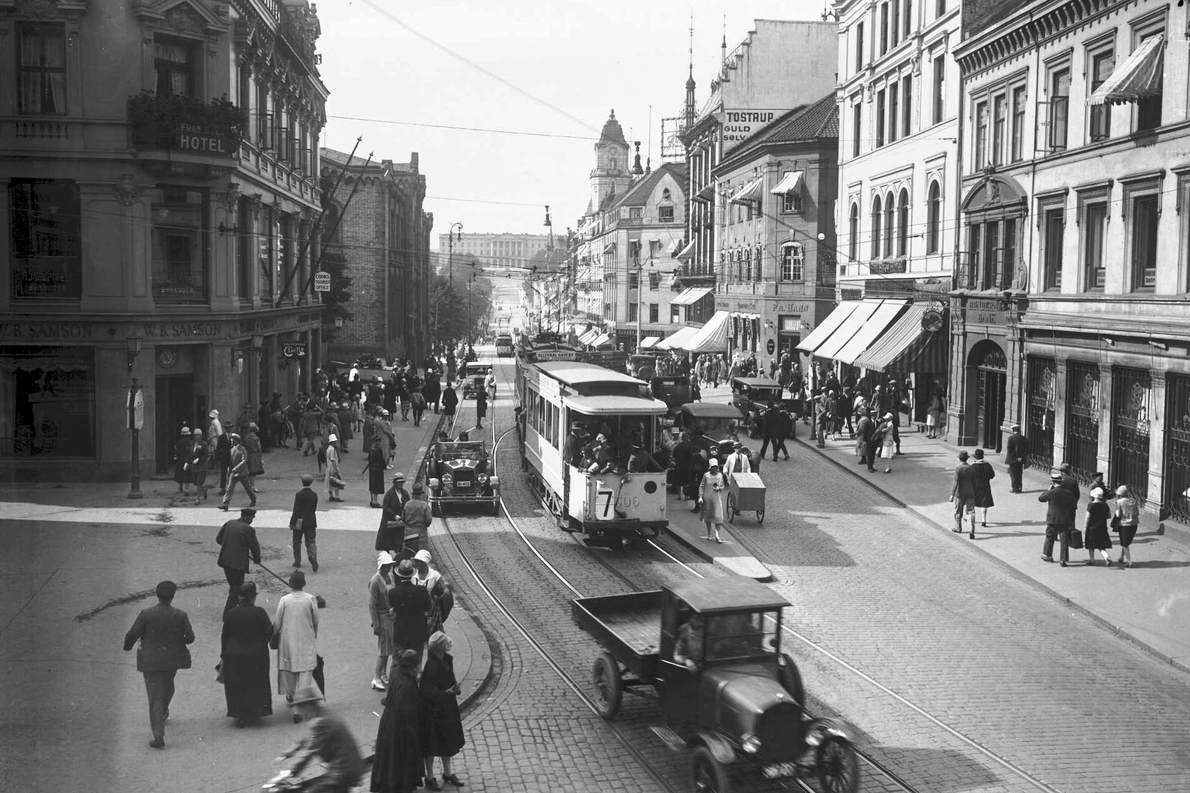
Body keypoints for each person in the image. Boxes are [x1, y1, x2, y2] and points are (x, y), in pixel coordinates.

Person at [123, 580, 195, 749]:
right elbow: (190, 638)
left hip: (151, 660)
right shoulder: (180, 615)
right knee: (168, 687)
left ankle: (158, 734)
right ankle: (162, 714)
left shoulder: (146, 613)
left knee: (155, 696)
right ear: (173, 596)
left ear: (157, 595)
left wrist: (127, 647)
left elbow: (132, 633)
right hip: (172, 660)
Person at [279, 686, 364, 793]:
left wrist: (287, 773)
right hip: (350, 765)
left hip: (343, 770)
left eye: (299, 708)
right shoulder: (323, 713)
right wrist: (293, 749)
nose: (299, 712)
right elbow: (313, 737)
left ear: (307, 707)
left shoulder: (320, 722)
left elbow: (308, 752)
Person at [221, 581, 273, 727]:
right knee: (257, 683)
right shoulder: (260, 612)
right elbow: (269, 632)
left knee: (238, 684)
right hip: (257, 654)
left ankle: (240, 714)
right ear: (253, 597)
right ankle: (256, 711)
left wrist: (223, 655)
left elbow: (225, 637)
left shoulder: (231, 614)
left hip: (235, 655)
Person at [371, 650, 423, 793]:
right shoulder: (406, 685)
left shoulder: (397, 675)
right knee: (398, 760)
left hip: (391, 723)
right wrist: (411, 729)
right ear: (413, 666)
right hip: (401, 728)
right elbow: (403, 708)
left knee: (390, 759)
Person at [420, 631, 466, 790]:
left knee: (448, 741)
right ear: (440, 647)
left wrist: (454, 687)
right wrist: (444, 693)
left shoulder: (446, 659)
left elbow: (450, 675)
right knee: (431, 745)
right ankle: (430, 776)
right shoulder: (431, 666)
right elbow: (426, 691)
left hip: (447, 707)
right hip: (434, 711)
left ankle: (447, 772)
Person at [275, 570, 320, 720]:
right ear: (304, 583)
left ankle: (291, 695)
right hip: (306, 639)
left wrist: (275, 635)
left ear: (290, 584)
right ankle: (299, 710)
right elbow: (315, 620)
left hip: (288, 640)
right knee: (305, 673)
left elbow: (277, 622)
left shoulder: (284, 600)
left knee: (289, 670)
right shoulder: (310, 599)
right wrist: (314, 635)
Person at [216, 507, 261, 616]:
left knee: (234, 586)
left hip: (225, 560)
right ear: (248, 517)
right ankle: (228, 613)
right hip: (238, 563)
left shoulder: (229, 523)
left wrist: (230, 545)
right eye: (252, 518)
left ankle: (237, 608)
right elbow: (254, 546)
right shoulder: (248, 529)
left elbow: (218, 539)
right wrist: (257, 559)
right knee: (236, 588)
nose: (252, 521)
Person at [388, 559, 433, 667]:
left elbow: (393, 609)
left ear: (399, 574)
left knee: (397, 660)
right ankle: (416, 678)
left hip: (401, 631)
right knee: (417, 659)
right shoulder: (421, 590)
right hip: (418, 631)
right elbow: (429, 608)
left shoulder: (393, 592)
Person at [1039, 471, 1078, 566]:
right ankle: (1063, 559)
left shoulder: (1052, 492)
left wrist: (1048, 490)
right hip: (1065, 519)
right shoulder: (1069, 493)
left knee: (1050, 536)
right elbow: (1073, 507)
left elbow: (1041, 498)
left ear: (1053, 482)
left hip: (1052, 519)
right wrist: (1072, 519)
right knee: (1064, 539)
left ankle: (1048, 555)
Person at [371, 552, 397, 691]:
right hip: (382, 618)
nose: (388, 568)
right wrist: (376, 624)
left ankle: (383, 674)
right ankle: (376, 677)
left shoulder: (390, 576)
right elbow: (372, 605)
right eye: (386, 566)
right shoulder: (375, 581)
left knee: (388, 648)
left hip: (391, 616)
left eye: (390, 566)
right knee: (383, 649)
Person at [413, 549, 454, 634]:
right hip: (418, 613)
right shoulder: (413, 576)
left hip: (432, 613)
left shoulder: (434, 575)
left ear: (425, 563)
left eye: (419, 562)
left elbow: (445, 588)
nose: (417, 564)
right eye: (416, 561)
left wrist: (443, 595)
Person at [289, 474, 320, 571]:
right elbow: (313, 508)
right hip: (311, 520)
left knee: (297, 541)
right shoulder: (314, 495)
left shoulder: (299, 495)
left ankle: (297, 561)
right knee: (311, 541)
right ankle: (313, 557)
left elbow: (296, 510)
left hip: (299, 521)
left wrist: (292, 522)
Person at [219, 434, 257, 511]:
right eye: (231, 441)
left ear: (237, 441)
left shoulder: (242, 449)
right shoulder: (232, 449)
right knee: (229, 488)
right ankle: (225, 504)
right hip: (233, 473)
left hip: (242, 473)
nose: (231, 442)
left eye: (233, 441)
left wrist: (236, 468)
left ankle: (253, 499)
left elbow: (244, 460)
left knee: (247, 488)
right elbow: (231, 461)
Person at [949, 451, 977, 537]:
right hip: (970, 492)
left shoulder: (958, 469)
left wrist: (952, 494)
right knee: (970, 511)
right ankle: (971, 528)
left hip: (959, 493)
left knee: (958, 511)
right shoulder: (972, 468)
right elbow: (975, 481)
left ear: (959, 459)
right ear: (967, 458)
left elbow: (955, 482)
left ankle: (958, 528)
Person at [700, 458, 728, 543]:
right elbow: (701, 485)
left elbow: (722, 486)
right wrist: (700, 496)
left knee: (718, 516)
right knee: (708, 515)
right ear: (710, 467)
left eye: (715, 467)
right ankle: (709, 534)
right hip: (707, 497)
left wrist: (719, 488)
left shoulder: (720, 476)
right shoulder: (706, 475)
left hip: (716, 498)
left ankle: (717, 535)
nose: (714, 468)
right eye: (713, 467)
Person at [1083, 488, 1113, 566]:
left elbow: (1087, 517)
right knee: (1101, 545)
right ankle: (1106, 556)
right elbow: (1109, 515)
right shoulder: (1105, 505)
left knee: (1091, 545)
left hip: (1091, 528)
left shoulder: (1091, 505)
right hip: (1102, 527)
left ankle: (1092, 560)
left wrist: (1085, 527)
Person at [401, 483, 434, 551]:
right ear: (421, 494)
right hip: (421, 533)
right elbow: (428, 521)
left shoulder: (407, 504)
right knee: (421, 552)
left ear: (413, 494)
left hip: (408, 532)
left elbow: (403, 518)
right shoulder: (424, 505)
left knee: (408, 551)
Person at [1113, 484, 1140, 568]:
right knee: (1126, 542)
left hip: (1124, 524)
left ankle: (1129, 561)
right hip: (1134, 524)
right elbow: (1137, 513)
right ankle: (1121, 557)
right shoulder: (1133, 501)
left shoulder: (1119, 502)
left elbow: (1117, 515)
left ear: (1119, 494)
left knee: (1124, 543)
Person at [971, 448, 996, 527]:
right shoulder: (987, 465)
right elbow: (992, 475)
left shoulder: (973, 466)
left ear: (975, 457)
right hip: (985, 485)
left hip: (975, 486)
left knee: (973, 502)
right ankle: (983, 520)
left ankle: (971, 518)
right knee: (984, 503)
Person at [1004, 424, 1028, 493]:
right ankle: (1019, 487)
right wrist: (1021, 457)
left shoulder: (1011, 438)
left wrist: (1015, 457)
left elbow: (1010, 450)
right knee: (1019, 473)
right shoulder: (1024, 438)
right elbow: (1026, 450)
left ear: (1013, 430)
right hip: (1021, 459)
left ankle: (1015, 488)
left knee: (1013, 474)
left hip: (1013, 459)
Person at [190, 427, 211, 501]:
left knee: (199, 482)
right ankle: (204, 491)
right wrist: (187, 463)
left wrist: (199, 459)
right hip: (194, 466)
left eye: (198, 435)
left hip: (202, 466)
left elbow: (206, 455)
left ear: (201, 436)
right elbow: (190, 454)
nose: (196, 437)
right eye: (195, 435)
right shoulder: (192, 444)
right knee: (196, 482)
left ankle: (197, 498)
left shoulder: (204, 444)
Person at [172, 427, 193, 495]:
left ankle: (180, 487)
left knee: (180, 473)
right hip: (187, 459)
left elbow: (176, 450)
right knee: (187, 474)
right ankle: (186, 488)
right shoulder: (190, 441)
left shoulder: (179, 441)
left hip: (180, 459)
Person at [244, 423, 264, 491]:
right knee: (254, 472)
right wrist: (260, 455)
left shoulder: (247, 437)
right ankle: (252, 486)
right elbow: (259, 447)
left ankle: (249, 485)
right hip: (255, 455)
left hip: (248, 454)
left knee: (250, 471)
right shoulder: (256, 438)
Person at [325, 433, 344, 503]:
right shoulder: (332, 449)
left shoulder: (328, 449)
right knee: (336, 482)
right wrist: (336, 469)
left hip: (328, 467)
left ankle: (331, 496)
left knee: (329, 482)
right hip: (333, 467)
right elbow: (333, 459)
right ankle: (337, 496)